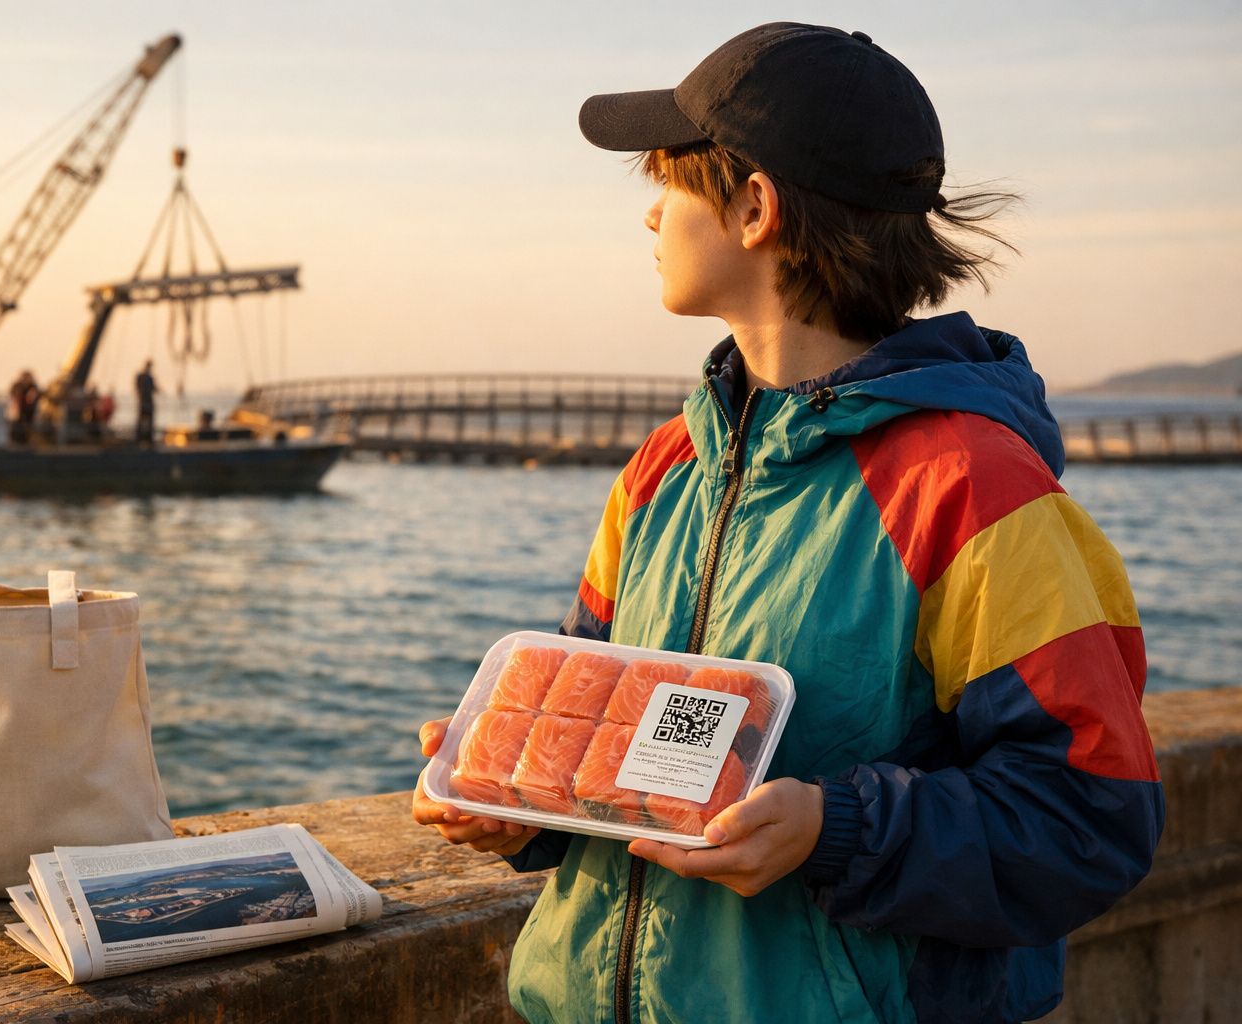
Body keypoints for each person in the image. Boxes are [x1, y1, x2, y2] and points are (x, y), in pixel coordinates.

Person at [412, 23, 1163, 1024]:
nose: (649, 215)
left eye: (671, 183)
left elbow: (1090, 816)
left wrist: (837, 829)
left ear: (755, 208)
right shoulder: (658, 471)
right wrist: (515, 798)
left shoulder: (975, 488)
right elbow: (604, 756)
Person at [134, 360, 158, 447]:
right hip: (147, 402)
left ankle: (139, 439)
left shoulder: (140, 376)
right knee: (148, 420)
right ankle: (147, 440)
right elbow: (153, 388)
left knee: (141, 421)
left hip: (143, 402)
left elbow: (137, 386)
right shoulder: (147, 377)